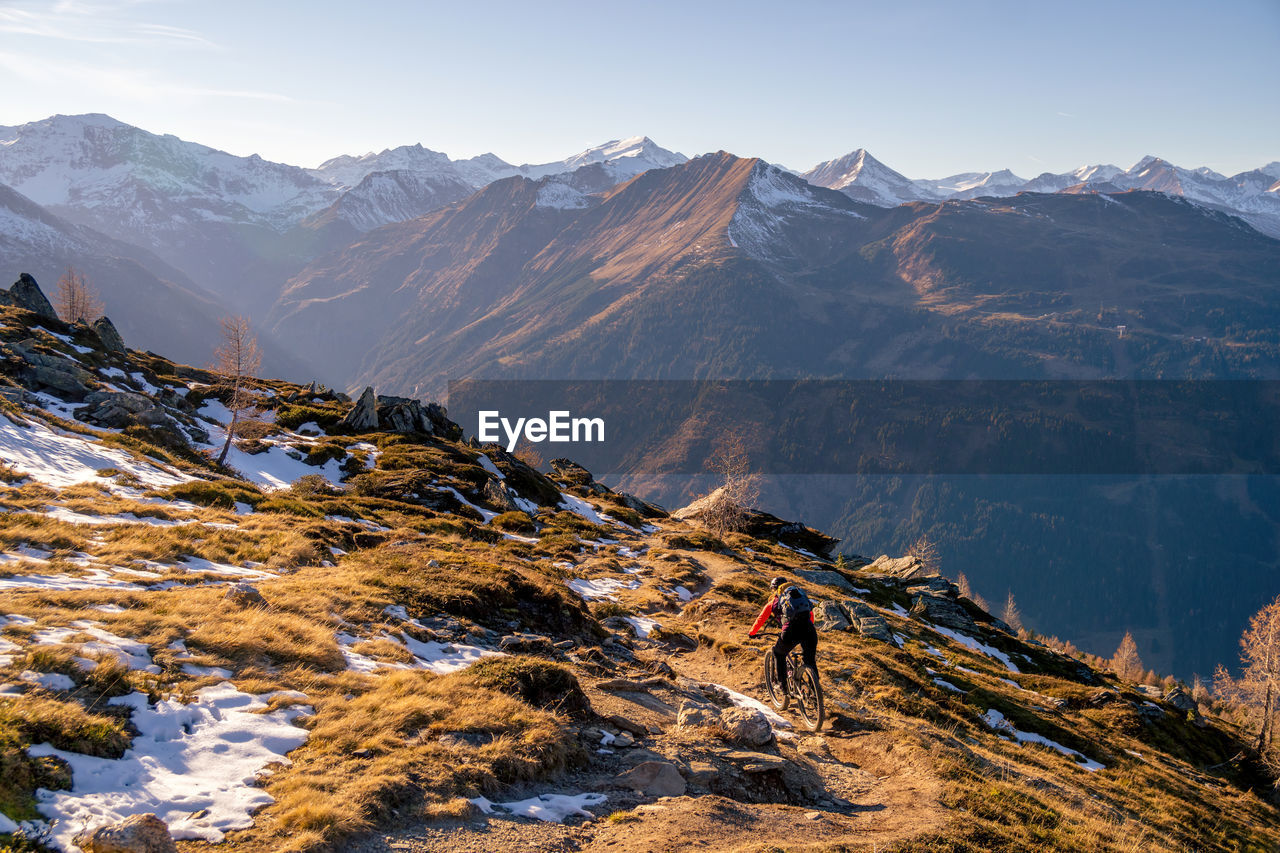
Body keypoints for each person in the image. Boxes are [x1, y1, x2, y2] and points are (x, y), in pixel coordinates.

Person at [748, 576, 818, 692]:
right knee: (810, 661)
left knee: (778, 653)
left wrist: (752, 633)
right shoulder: (799, 596)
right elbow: (810, 614)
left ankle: (783, 687)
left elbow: (761, 619)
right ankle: (814, 694)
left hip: (790, 631)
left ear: (775, 589)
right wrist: (806, 626)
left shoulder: (774, 602)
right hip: (809, 630)